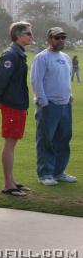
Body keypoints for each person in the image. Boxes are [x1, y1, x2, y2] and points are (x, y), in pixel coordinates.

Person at [0, 21, 33, 197]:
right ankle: (8, 184)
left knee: (12, 144)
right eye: (28, 33)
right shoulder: (11, 55)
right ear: (18, 35)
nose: (31, 36)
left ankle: (12, 181)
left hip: (18, 104)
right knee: (9, 144)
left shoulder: (18, 54)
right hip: (13, 106)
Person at [31, 27, 77, 186]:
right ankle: (45, 174)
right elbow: (37, 81)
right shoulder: (41, 58)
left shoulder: (65, 57)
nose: (61, 40)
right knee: (46, 140)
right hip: (49, 105)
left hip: (65, 105)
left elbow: (65, 79)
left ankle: (58, 172)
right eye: (57, 38)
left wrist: (69, 95)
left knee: (63, 139)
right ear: (49, 39)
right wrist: (43, 102)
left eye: (63, 37)